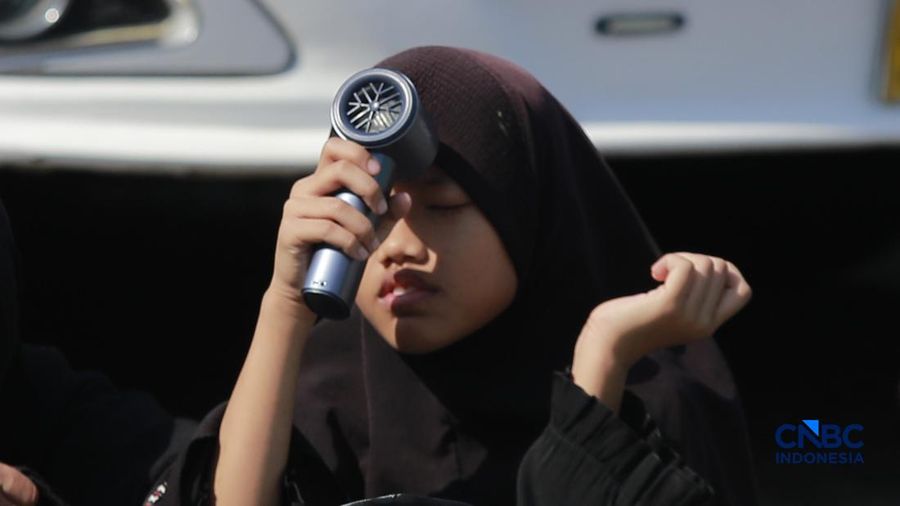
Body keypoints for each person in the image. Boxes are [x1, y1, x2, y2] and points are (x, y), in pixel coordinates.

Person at [148, 46, 759, 506]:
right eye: (373, 212)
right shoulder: (321, 398)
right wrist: (284, 304)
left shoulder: (652, 404)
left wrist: (602, 358)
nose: (398, 248)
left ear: (532, 215)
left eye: (441, 208)